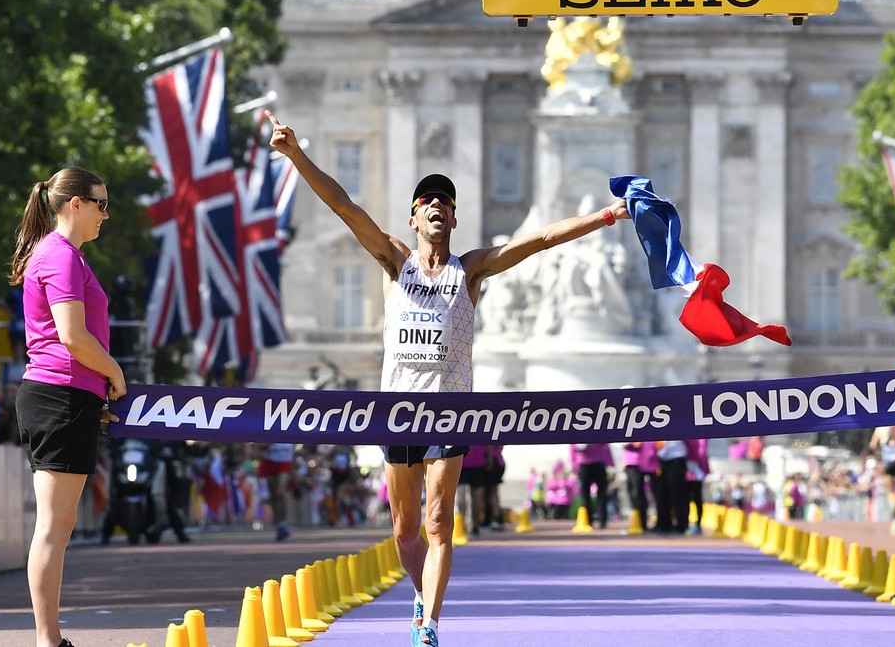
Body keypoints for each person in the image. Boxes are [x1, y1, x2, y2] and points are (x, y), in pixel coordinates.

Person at [267, 112, 631, 647]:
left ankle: (430, 627)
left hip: (449, 410)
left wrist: (605, 215)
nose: (437, 205)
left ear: (454, 220)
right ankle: (422, 594)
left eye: (445, 202)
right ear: (414, 217)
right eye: (428, 201)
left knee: (439, 523)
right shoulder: (394, 260)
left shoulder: (472, 269)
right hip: (398, 412)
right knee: (404, 532)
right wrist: (296, 155)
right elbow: (343, 206)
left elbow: (541, 239)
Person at [8, 166, 125, 647]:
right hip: (60, 393)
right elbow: (73, 336)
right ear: (75, 204)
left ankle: (50, 639)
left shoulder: (61, 254)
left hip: (62, 394)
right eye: (101, 204)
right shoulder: (60, 255)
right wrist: (114, 372)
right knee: (54, 528)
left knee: (57, 525)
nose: (105, 215)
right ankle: (49, 641)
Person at [570, 440, 614, 530]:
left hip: (596, 462)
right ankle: (589, 520)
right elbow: (573, 447)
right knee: (587, 494)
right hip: (586, 463)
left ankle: (601, 520)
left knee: (600, 493)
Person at [258, 442, 296, 541]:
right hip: (270, 462)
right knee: (274, 496)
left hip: (285, 463)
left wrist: (295, 470)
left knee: (280, 493)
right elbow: (260, 447)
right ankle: (279, 525)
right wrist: (266, 445)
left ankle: (284, 522)